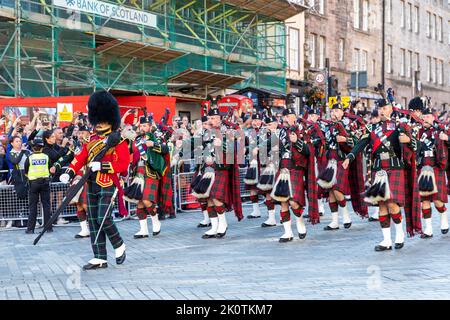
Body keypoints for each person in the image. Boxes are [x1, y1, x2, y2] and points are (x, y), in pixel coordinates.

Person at [60, 91, 128, 270]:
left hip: (108, 182)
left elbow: (123, 164)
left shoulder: (118, 140)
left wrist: (104, 166)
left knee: (103, 217)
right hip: (90, 182)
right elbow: (81, 157)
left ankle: (119, 244)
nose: (99, 122)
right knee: (93, 220)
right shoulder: (91, 139)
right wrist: (69, 170)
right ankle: (99, 257)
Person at [343, 97, 422, 251]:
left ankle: (399, 234)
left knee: (392, 203)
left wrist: (408, 139)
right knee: (381, 206)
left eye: (385, 108)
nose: (382, 111)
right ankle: (386, 240)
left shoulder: (400, 125)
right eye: (380, 108)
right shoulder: (373, 128)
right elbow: (361, 143)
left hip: (394, 167)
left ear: (391, 109)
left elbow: (417, 145)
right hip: (379, 170)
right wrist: (350, 157)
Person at [191, 107, 243, 239]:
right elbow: (196, 144)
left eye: (213, 118)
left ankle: (223, 224)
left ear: (219, 119)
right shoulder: (205, 132)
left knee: (216, 196)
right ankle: (214, 227)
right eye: (209, 118)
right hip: (207, 168)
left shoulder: (227, 131)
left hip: (221, 168)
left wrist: (222, 144)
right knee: (208, 198)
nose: (210, 120)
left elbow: (235, 148)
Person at [270, 108, 319, 242]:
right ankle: (287, 232)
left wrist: (297, 141)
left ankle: (300, 221)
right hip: (282, 169)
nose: (289, 119)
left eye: (291, 116)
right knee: (283, 201)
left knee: (294, 201)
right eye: (286, 116)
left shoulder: (302, 131)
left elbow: (309, 151)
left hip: (296, 169)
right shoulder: (278, 133)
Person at [416, 107, 449, 238]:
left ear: (433, 118)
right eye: (423, 117)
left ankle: (443, 218)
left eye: (428, 117)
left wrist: (446, 138)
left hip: (436, 167)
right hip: (422, 167)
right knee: (424, 200)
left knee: (437, 200)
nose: (425, 119)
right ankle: (428, 229)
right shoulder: (417, 132)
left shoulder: (439, 131)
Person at [24, 136, 52, 234]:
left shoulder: (30, 158)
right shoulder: (46, 157)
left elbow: (26, 171)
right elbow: (49, 168)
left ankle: (30, 229)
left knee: (33, 206)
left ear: (33, 148)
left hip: (34, 184)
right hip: (45, 182)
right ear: (42, 148)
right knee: (46, 205)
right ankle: (48, 228)